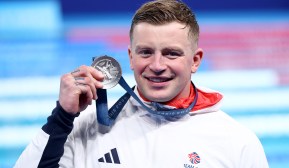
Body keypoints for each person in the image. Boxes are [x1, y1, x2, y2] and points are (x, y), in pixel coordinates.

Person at [15, 0, 269, 167]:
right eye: (146, 52)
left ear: (195, 60)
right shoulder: (86, 128)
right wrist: (62, 116)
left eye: (171, 53)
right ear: (131, 57)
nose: (157, 65)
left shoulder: (236, 141)